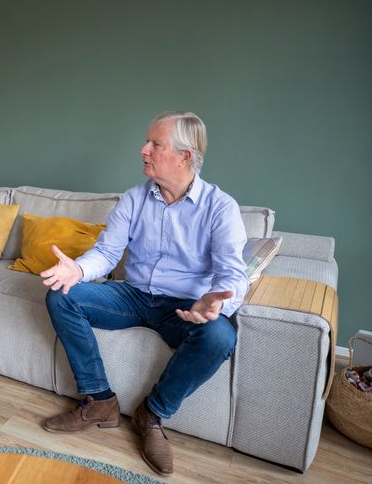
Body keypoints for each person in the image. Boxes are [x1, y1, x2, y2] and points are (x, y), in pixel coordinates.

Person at [39, 111, 249, 476]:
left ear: (185, 156)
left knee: (219, 335)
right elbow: (107, 253)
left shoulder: (221, 208)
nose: (143, 149)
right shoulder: (135, 198)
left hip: (183, 306)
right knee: (63, 294)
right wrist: (77, 269)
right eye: (147, 141)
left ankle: (151, 415)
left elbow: (233, 274)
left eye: (155, 144)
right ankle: (100, 401)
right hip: (133, 296)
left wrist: (219, 301)